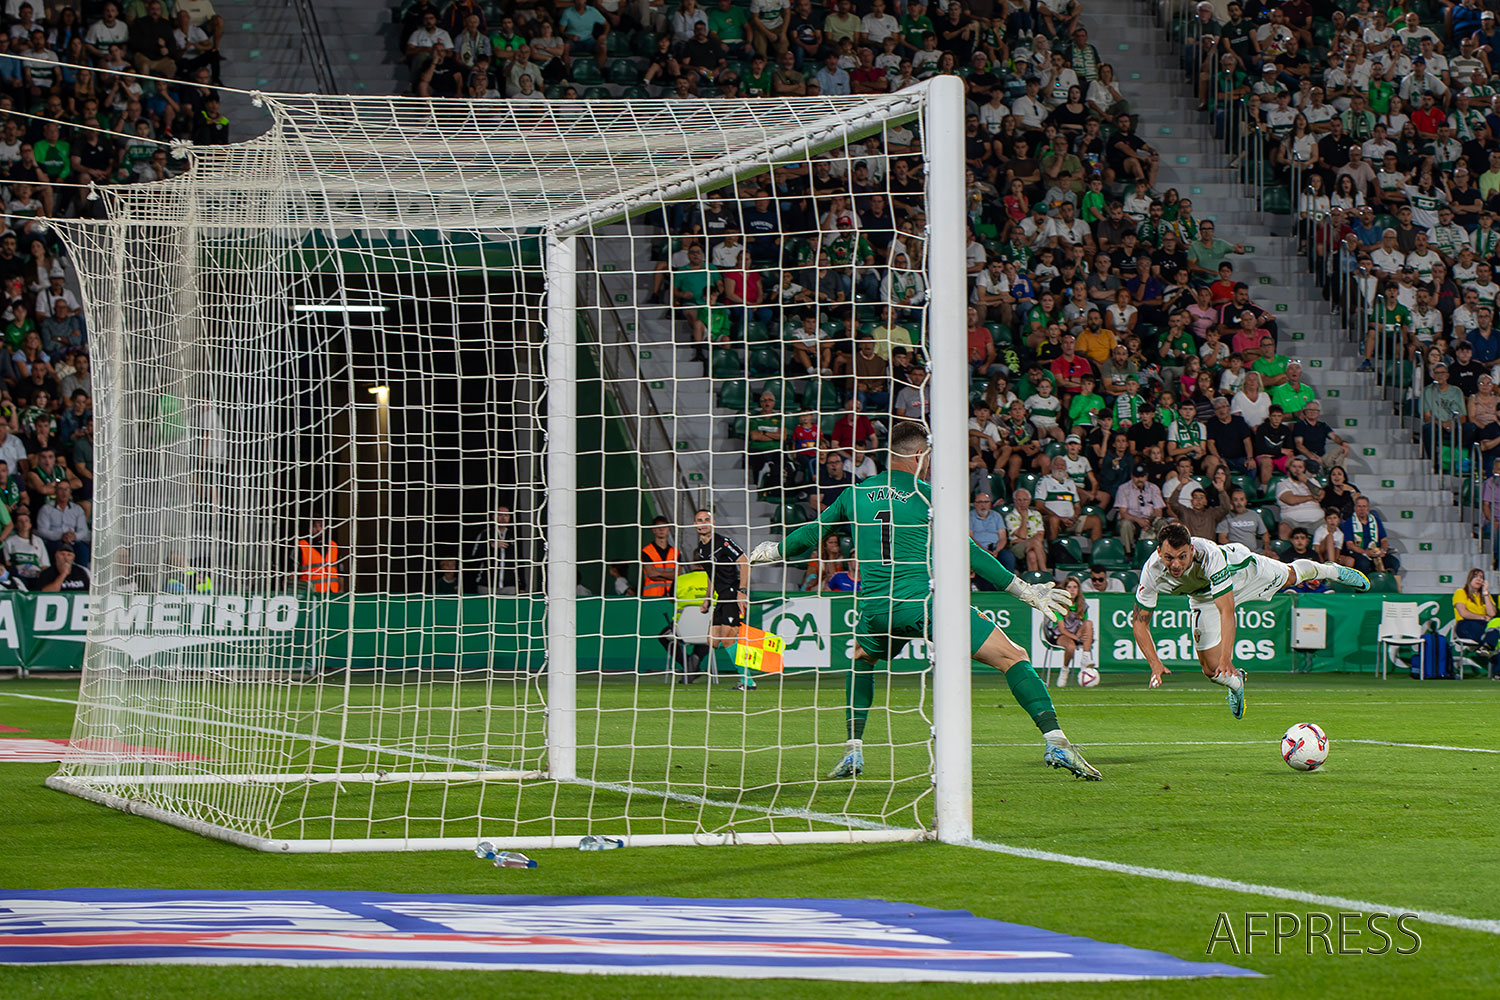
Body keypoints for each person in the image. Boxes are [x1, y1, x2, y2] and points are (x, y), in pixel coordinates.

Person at [749, 420, 1101, 780]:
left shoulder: (855, 494)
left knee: (861, 657)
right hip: (923, 606)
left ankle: (853, 750)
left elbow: (811, 532)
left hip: (874, 611)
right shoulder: (927, 496)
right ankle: (1055, 740)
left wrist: (774, 551)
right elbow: (970, 553)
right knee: (1014, 657)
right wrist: (1023, 590)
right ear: (919, 454)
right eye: (928, 456)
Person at [1132, 523, 1369, 718]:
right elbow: (1140, 622)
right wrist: (1154, 662)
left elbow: (1227, 610)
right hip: (1203, 598)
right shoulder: (1151, 571)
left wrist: (1227, 657)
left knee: (1291, 575)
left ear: (1191, 549)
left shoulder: (1210, 555)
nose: (1175, 564)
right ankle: (1237, 684)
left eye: (1182, 556)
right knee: (1211, 670)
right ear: (1159, 553)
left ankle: (1331, 571)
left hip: (1243, 573)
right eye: (1169, 557)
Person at [690, 508, 755, 690]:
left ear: (712, 523)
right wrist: (707, 598)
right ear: (695, 525)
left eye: (706, 519)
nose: (702, 523)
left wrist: (742, 591)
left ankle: (748, 681)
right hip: (721, 596)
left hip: (732, 593)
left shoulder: (723, 542)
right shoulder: (702, 549)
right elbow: (711, 575)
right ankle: (745, 657)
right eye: (699, 520)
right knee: (713, 640)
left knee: (727, 639)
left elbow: (744, 562)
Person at [1049, 575, 1094, 688]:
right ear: (1065, 589)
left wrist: (1080, 635)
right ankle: (1064, 670)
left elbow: (1085, 623)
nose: (1072, 590)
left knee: (1089, 623)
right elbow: (1062, 629)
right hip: (1060, 634)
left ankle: (1086, 657)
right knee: (1071, 647)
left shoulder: (1082, 605)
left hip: (1076, 632)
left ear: (1079, 590)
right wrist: (1077, 638)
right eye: (1069, 587)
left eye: (1075, 587)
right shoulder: (1060, 605)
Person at [1341, 495, 1400, 577]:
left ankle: (1386, 583)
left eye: (1364, 506)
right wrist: (1366, 552)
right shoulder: (1349, 522)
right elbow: (1350, 544)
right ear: (1355, 508)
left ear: (1368, 508)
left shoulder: (1376, 521)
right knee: (1363, 563)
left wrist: (1383, 551)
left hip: (1376, 552)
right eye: (1359, 506)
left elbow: (1384, 540)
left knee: (1393, 562)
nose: (1362, 509)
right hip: (1359, 553)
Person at [1452, 568, 1499, 656]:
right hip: (1465, 624)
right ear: (1469, 579)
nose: (1479, 579)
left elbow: (1492, 614)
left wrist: (1485, 593)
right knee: (1488, 632)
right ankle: (1487, 645)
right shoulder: (1461, 592)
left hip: (1484, 624)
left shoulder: (1486, 596)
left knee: (1497, 622)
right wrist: (1483, 617)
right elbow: (1463, 613)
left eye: (1481, 577)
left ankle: (1485, 647)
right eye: (1475, 576)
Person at [297, 517, 340, 594]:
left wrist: (340, 591)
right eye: (314, 526)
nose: (318, 530)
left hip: (332, 592)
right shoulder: (301, 546)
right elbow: (291, 573)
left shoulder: (333, 546)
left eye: (321, 526)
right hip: (310, 593)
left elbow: (340, 571)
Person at [639, 516, 678, 599]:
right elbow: (651, 574)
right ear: (653, 530)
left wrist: (658, 573)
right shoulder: (646, 551)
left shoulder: (675, 552)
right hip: (652, 596)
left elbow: (677, 574)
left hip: (671, 596)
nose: (661, 530)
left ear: (668, 529)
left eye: (664, 527)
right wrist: (670, 575)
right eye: (658, 527)